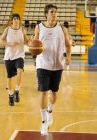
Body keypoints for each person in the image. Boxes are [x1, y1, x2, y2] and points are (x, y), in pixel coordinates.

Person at [33, 4, 71, 135]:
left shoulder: (62, 29)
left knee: (54, 92)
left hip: (57, 64)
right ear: (46, 14)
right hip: (42, 64)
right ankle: (43, 122)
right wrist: (33, 50)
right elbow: (34, 43)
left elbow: (68, 44)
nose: (54, 14)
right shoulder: (38, 27)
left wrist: (69, 56)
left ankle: (50, 110)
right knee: (43, 92)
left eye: (55, 12)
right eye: (51, 12)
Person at [0, 13, 29, 106]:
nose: (16, 20)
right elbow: (0, 42)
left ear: (19, 20)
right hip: (9, 56)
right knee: (9, 77)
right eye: (14, 19)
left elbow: (27, 40)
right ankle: (11, 96)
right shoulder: (7, 29)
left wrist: (31, 42)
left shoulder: (22, 29)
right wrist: (10, 43)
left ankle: (17, 90)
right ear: (12, 20)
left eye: (17, 19)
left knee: (20, 70)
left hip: (19, 55)